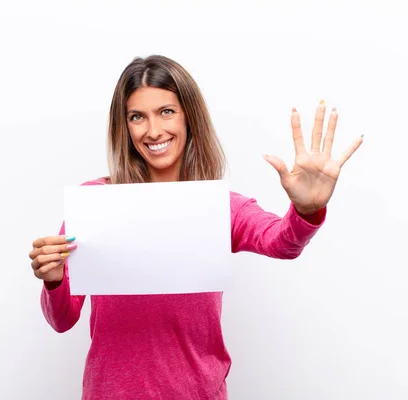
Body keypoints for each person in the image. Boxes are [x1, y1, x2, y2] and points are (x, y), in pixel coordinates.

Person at [28, 55, 363, 399]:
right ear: (124, 127)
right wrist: (53, 280)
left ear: (189, 116)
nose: (153, 130)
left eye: (167, 112)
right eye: (137, 117)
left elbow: (281, 242)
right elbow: (62, 320)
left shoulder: (220, 206)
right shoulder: (95, 204)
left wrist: (307, 209)